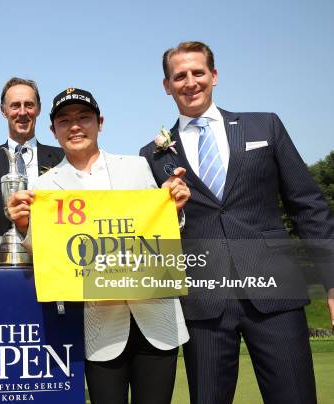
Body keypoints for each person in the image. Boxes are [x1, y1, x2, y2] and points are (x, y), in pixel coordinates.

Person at [139, 41, 334, 404]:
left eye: (198, 72)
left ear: (214, 76)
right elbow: (153, 231)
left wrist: (332, 283)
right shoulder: (151, 155)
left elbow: (309, 206)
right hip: (205, 301)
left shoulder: (266, 126)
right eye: (179, 76)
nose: (190, 82)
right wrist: (173, 210)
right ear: (166, 85)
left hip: (276, 292)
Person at [7, 88, 190, 404]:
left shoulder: (135, 167)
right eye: (64, 120)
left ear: (100, 123)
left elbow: (160, 232)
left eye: (83, 118)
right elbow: (49, 255)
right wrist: (24, 226)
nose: (74, 126)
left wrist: (174, 209)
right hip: (99, 326)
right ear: (53, 130)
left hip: (156, 318)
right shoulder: (45, 186)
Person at [0, 77, 64, 266]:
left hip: (55, 270)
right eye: (15, 106)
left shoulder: (63, 159)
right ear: (3, 110)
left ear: (38, 108)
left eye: (29, 105)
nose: (22, 112)